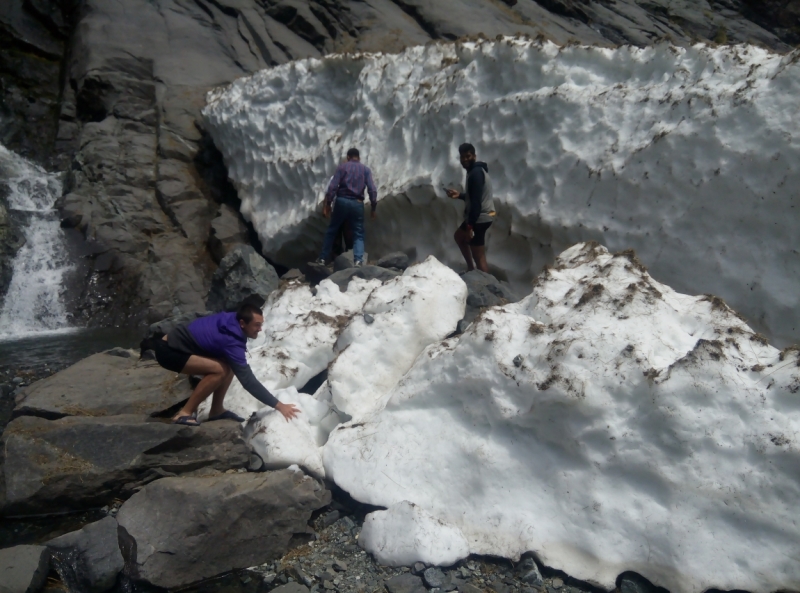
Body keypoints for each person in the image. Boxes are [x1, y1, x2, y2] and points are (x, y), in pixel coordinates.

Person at [142, 303, 300, 426]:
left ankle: (216, 410)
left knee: (227, 364)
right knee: (219, 370)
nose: (260, 329)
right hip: (170, 352)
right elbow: (247, 381)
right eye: (257, 325)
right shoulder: (231, 340)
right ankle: (184, 413)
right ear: (243, 323)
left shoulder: (234, 322)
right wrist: (278, 405)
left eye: (261, 324)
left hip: (177, 345)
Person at [316, 148, 377, 267]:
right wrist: (373, 207)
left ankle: (322, 258)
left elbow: (333, 187)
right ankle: (358, 260)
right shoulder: (366, 170)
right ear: (358, 158)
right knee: (358, 233)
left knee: (332, 230)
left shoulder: (342, 167)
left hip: (342, 201)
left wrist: (328, 204)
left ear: (348, 157)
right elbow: (372, 189)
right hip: (357, 203)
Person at [446, 143, 495, 273]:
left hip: (480, 218)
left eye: (468, 156)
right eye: (462, 157)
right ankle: (470, 269)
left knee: (479, 257)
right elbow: (474, 196)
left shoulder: (476, 174)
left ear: (474, 156)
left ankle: (489, 288)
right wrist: (460, 195)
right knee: (459, 237)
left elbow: (476, 203)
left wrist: (470, 227)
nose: (465, 159)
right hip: (483, 215)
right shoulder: (475, 172)